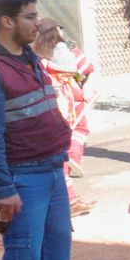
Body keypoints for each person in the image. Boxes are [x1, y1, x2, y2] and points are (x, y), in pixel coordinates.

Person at [0, 0, 101, 260]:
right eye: (30, 16)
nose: (37, 22)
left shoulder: (27, 58)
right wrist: (3, 188)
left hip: (51, 169)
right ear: (7, 21)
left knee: (57, 247)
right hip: (21, 178)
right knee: (23, 256)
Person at [32, 19, 92, 216]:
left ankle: (67, 201)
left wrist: (81, 95)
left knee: (61, 167)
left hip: (64, 126)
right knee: (59, 167)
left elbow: (74, 83)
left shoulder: (61, 71)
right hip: (51, 132)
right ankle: (67, 202)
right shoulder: (46, 77)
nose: (68, 76)